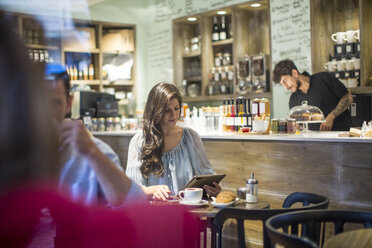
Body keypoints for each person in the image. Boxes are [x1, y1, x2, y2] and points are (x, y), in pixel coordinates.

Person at [0, 12, 198, 248]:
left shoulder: (93, 153)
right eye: (31, 104)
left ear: (68, 102)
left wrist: (91, 153)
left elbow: (127, 206)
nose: (41, 117)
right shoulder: (137, 141)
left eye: (51, 103)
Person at [45, 65, 145, 206]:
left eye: (54, 103)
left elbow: (135, 204)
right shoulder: (8, 155)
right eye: (37, 103)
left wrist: (92, 153)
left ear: (68, 103)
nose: (44, 113)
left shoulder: (91, 150)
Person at [126, 82, 221, 200]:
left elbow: (207, 175)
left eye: (176, 108)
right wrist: (152, 190)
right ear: (156, 110)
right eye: (167, 110)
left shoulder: (190, 137)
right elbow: (131, 189)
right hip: (153, 213)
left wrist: (214, 189)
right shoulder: (139, 142)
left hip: (188, 212)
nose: (174, 115)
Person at [273, 59, 352, 131]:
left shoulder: (323, 78)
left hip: (341, 135)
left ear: (294, 73)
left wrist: (331, 116)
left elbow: (348, 97)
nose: (286, 87)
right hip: (314, 142)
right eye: (282, 84)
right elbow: (297, 125)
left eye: (285, 81)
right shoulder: (293, 99)